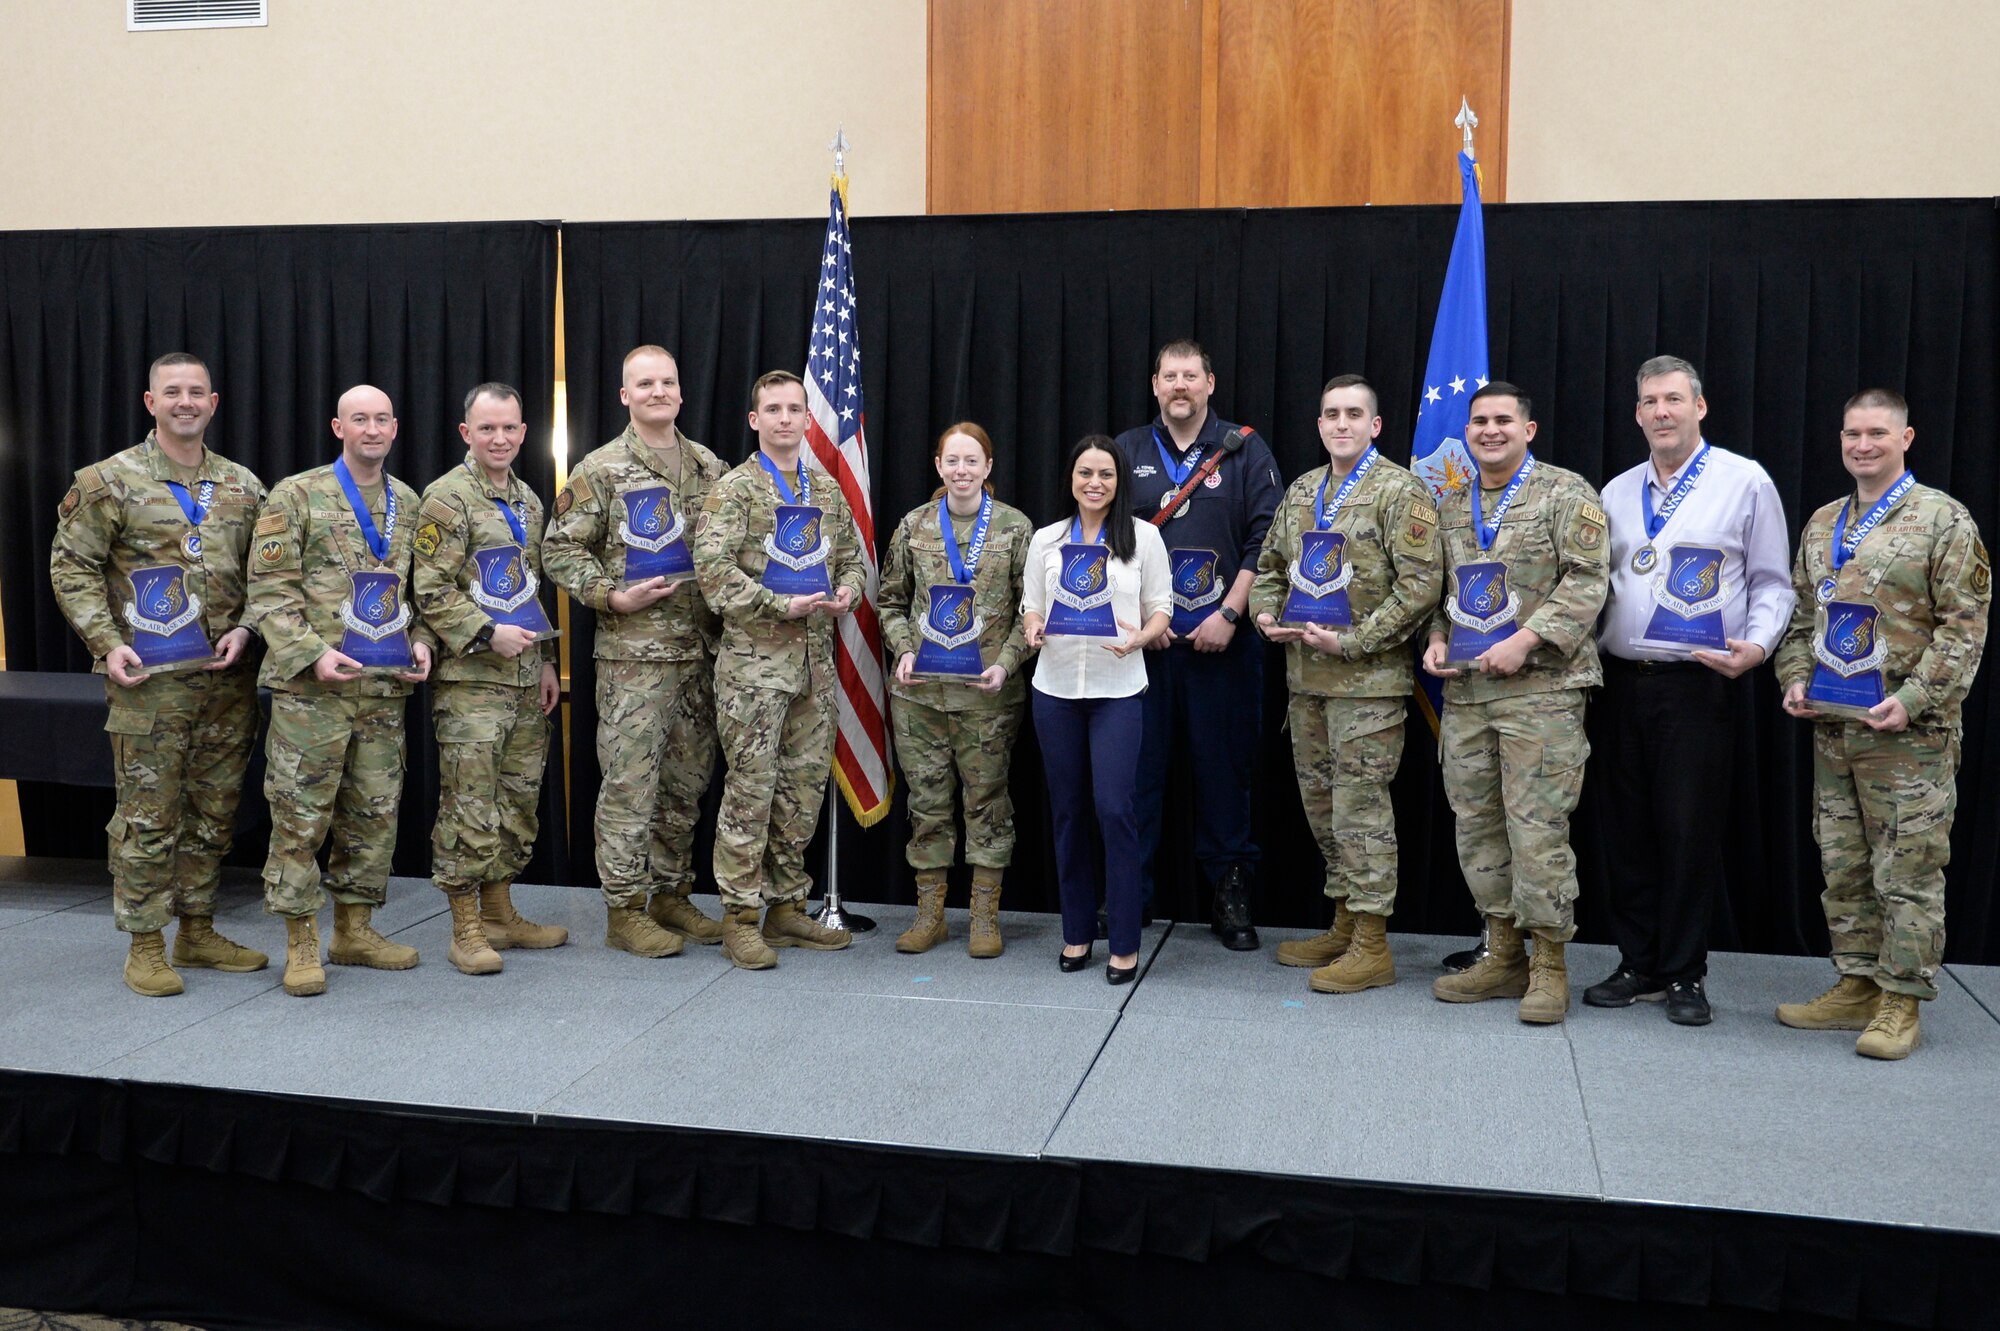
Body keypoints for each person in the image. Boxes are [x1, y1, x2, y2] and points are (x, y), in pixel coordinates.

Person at [1774, 388, 1990, 1060]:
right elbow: (1801, 619)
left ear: (1906, 438)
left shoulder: (1943, 521)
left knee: (1909, 868)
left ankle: (1902, 998)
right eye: (1851, 434)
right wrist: (1794, 680)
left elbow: (1965, 626)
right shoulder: (1822, 522)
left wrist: (1920, 696)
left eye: (1876, 433)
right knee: (1843, 864)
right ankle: (1858, 982)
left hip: (1907, 734)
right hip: (1834, 730)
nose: (1862, 445)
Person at [49, 352, 270, 997]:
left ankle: (196, 930)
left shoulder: (243, 487)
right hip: (148, 681)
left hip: (226, 679)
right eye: (172, 392)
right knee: (149, 814)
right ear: (151, 403)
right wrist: (105, 641)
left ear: (213, 402)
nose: (185, 402)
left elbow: (271, 577)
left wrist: (248, 628)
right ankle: (145, 944)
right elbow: (72, 568)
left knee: (214, 810)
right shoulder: (107, 482)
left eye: (196, 393)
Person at [1586, 356, 1795, 1026]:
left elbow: (1772, 582)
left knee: (1687, 829)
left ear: (1699, 406)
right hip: (1620, 681)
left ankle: (1683, 972)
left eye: (1674, 399)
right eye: (1650, 401)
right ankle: (1638, 961)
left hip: (1698, 683)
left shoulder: (1744, 481)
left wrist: (1759, 646)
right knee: (1626, 831)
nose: (1661, 412)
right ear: (1639, 412)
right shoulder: (1616, 491)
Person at [1423, 382, 1608, 1024]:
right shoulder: (1450, 503)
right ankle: (1502, 954)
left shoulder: (1567, 493)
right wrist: (1437, 638)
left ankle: (1549, 966)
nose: (1491, 430)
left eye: (1504, 420)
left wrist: (1527, 640)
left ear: (1529, 429)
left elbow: (1589, 580)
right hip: (1469, 691)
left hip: (1543, 692)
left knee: (1537, 829)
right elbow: (1441, 590)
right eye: (1479, 421)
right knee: (1476, 825)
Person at [1251, 376, 1441, 993]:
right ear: (1319, 424)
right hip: (1306, 683)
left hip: (1367, 685)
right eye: (1331, 414)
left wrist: (1353, 641)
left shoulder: (1400, 491)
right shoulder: (1305, 489)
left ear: (1375, 426)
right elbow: (1271, 568)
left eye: (1354, 414)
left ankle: (1372, 943)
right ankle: (1343, 921)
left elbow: (1420, 589)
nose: (1341, 424)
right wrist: (1264, 615)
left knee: (1362, 814)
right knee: (1323, 811)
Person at [245, 384, 435, 997]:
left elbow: (418, 592)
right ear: (338, 427)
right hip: (312, 691)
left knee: (373, 814)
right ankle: (301, 939)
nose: (372, 428)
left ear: (396, 427)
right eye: (360, 419)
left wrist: (423, 640)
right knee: (302, 816)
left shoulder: (407, 502)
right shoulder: (295, 496)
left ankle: (354, 930)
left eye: (382, 418)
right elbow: (270, 594)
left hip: (381, 690)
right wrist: (311, 655)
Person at [543, 346, 730, 958]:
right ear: (625, 395)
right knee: (630, 786)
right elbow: (560, 550)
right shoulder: (600, 469)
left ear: (681, 391)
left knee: (686, 783)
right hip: (635, 658)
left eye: (668, 381)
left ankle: (671, 895)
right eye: (644, 383)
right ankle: (626, 909)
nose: (658, 391)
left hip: (701, 654)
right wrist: (610, 597)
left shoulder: (711, 468)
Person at [690, 371, 867, 968]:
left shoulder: (825, 488)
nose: (787, 418)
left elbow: (851, 558)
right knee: (750, 793)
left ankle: (787, 906)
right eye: (774, 409)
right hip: (754, 671)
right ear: (755, 420)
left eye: (795, 408)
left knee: (801, 793)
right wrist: (775, 603)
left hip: (816, 669)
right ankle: (740, 917)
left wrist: (845, 589)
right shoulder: (734, 490)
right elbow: (712, 573)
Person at [1114, 339, 1283, 949]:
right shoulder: (1127, 450)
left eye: (1191, 375)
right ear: (1154, 385)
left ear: (1210, 383)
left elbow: (1269, 538)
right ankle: (1129, 894)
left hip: (1223, 647)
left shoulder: (1243, 448)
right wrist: (1142, 621)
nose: (1179, 385)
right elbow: (1105, 542)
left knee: (1225, 774)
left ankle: (1230, 896)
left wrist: (1232, 614)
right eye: (1169, 376)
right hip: (1146, 650)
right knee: (1137, 776)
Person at [411, 383, 566, 976]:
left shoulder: (528, 500)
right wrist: (483, 632)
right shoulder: (446, 500)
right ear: (465, 433)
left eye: (509, 429)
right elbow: (429, 590)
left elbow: (531, 589)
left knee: (517, 801)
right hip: (473, 680)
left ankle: (501, 912)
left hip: (525, 677)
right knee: (469, 805)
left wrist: (547, 660)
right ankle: (466, 927)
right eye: (487, 429)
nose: (499, 439)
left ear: (524, 433)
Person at [877, 423, 1035, 957]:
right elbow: (891, 601)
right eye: (953, 461)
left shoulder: (1015, 529)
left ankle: (984, 918)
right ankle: (931, 915)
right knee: (926, 804)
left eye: (973, 461)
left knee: (987, 803)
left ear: (988, 467)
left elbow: (1030, 612)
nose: (962, 470)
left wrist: (1008, 665)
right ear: (938, 466)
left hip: (987, 696)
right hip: (920, 695)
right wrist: (902, 650)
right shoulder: (915, 526)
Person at [1022, 436, 1172, 983]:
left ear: (1119, 480)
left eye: (1105, 474)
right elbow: (1031, 605)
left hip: (1118, 689)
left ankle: (1126, 943)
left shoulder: (1145, 538)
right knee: (1067, 815)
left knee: (1114, 810)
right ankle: (1077, 932)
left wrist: (1142, 638)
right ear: (1071, 478)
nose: (1094, 483)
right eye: (1085, 472)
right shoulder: (1046, 539)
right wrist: (1033, 628)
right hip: (1055, 689)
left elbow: (1162, 609)